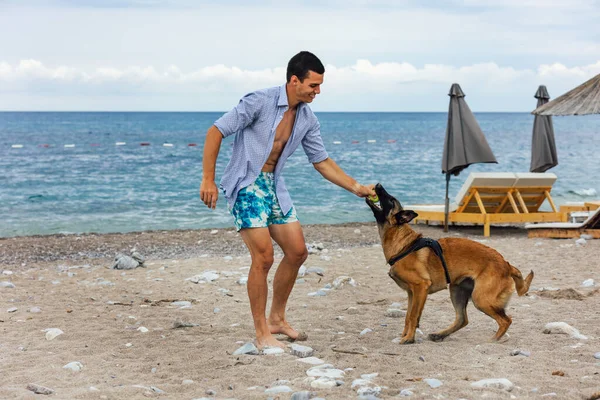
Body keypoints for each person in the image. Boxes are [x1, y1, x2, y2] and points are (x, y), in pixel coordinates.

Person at [200, 51, 375, 349]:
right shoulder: (259, 101)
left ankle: (277, 320)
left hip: (273, 186)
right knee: (264, 257)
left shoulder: (307, 118)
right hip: (246, 183)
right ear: (295, 80)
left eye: (320, 86)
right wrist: (208, 179)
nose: (318, 91)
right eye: (313, 85)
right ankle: (261, 335)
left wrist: (355, 187)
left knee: (297, 252)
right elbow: (216, 131)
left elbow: (321, 161)